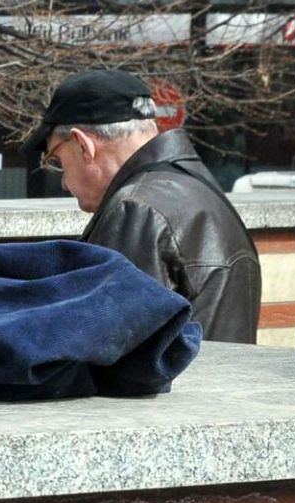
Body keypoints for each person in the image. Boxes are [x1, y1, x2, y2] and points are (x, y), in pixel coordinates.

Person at [30, 69, 261, 344]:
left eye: (57, 160)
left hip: (181, 386)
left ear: (83, 145)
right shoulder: (201, 190)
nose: (64, 183)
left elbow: (106, 344)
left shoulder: (136, 209)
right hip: (220, 383)